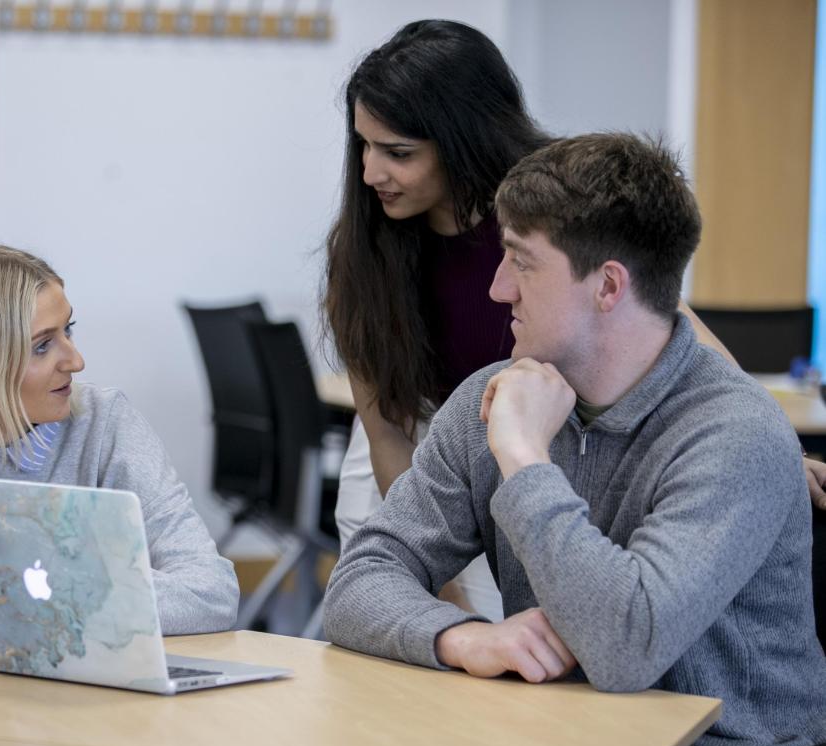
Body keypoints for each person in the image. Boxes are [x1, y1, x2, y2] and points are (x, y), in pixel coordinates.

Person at [323, 133, 826, 746]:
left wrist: (525, 460)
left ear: (609, 286)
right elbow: (358, 578)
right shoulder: (490, 400)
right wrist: (463, 637)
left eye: (521, 261)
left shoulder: (735, 435)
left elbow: (626, 645)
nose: (498, 287)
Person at [323, 19, 826, 620]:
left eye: (398, 153)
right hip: (430, 437)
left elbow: (669, 327)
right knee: (414, 613)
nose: (371, 173)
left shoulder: (550, 206)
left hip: (528, 431)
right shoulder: (366, 252)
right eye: (363, 147)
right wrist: (450, 610)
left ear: (461, 139)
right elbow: (389, 437)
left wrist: (765, 448)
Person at [0, 241, 238, 636]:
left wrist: (29, 603)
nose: (75, 361)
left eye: (68, 329)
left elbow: (210, 592)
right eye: (42, 346)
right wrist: (69, 603)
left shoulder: (105, 424)